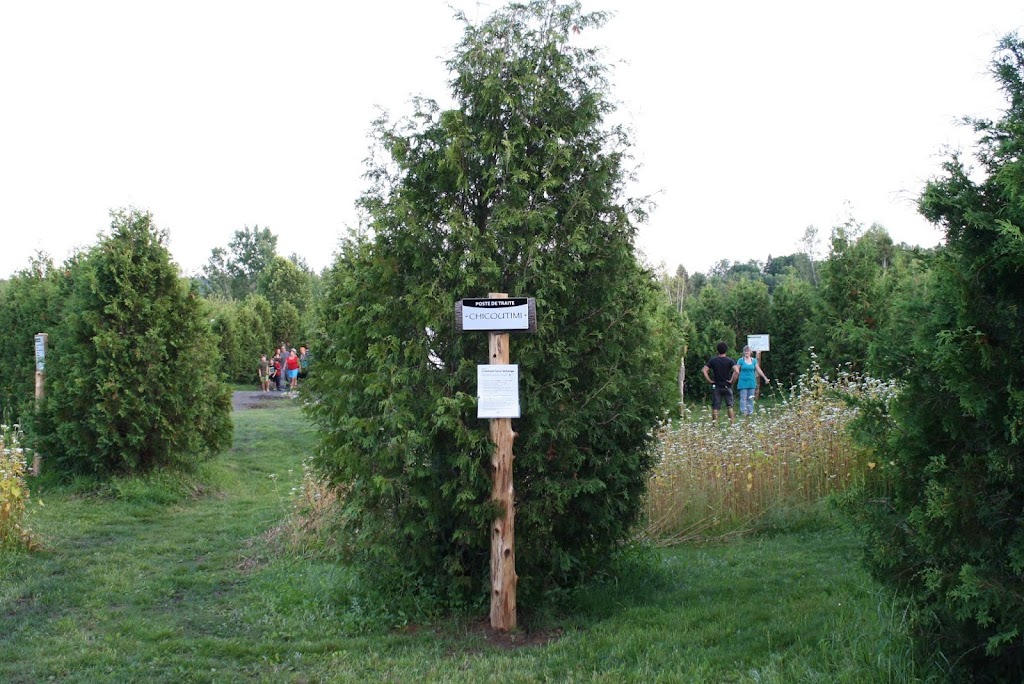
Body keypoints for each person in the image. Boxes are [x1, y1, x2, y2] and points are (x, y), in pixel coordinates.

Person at [701, 341, 737, 424]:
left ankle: (714, 424)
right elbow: (737, 371)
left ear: (717, 350)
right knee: (730, 406)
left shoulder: (713, 360)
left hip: (717, 385)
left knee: (715, 407)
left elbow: (704, 370)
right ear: (726, 350)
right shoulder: (730, 360)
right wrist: (732, 380)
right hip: (727, 385)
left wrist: (709, 380)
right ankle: (732, 424)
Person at [735, 345, 769, 416]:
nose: (746, 352)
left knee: (751, 398)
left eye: (748, 351)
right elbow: (736, 370)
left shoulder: (754, 360)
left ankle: (750, 412)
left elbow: (758, 370)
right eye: (745, 351)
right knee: (743, 398)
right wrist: (733, 379)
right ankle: (744, 412)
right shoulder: (740, 360)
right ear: (743, 352)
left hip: (751, 381)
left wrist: (765, 378)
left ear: (750, 352)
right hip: (743, 381)